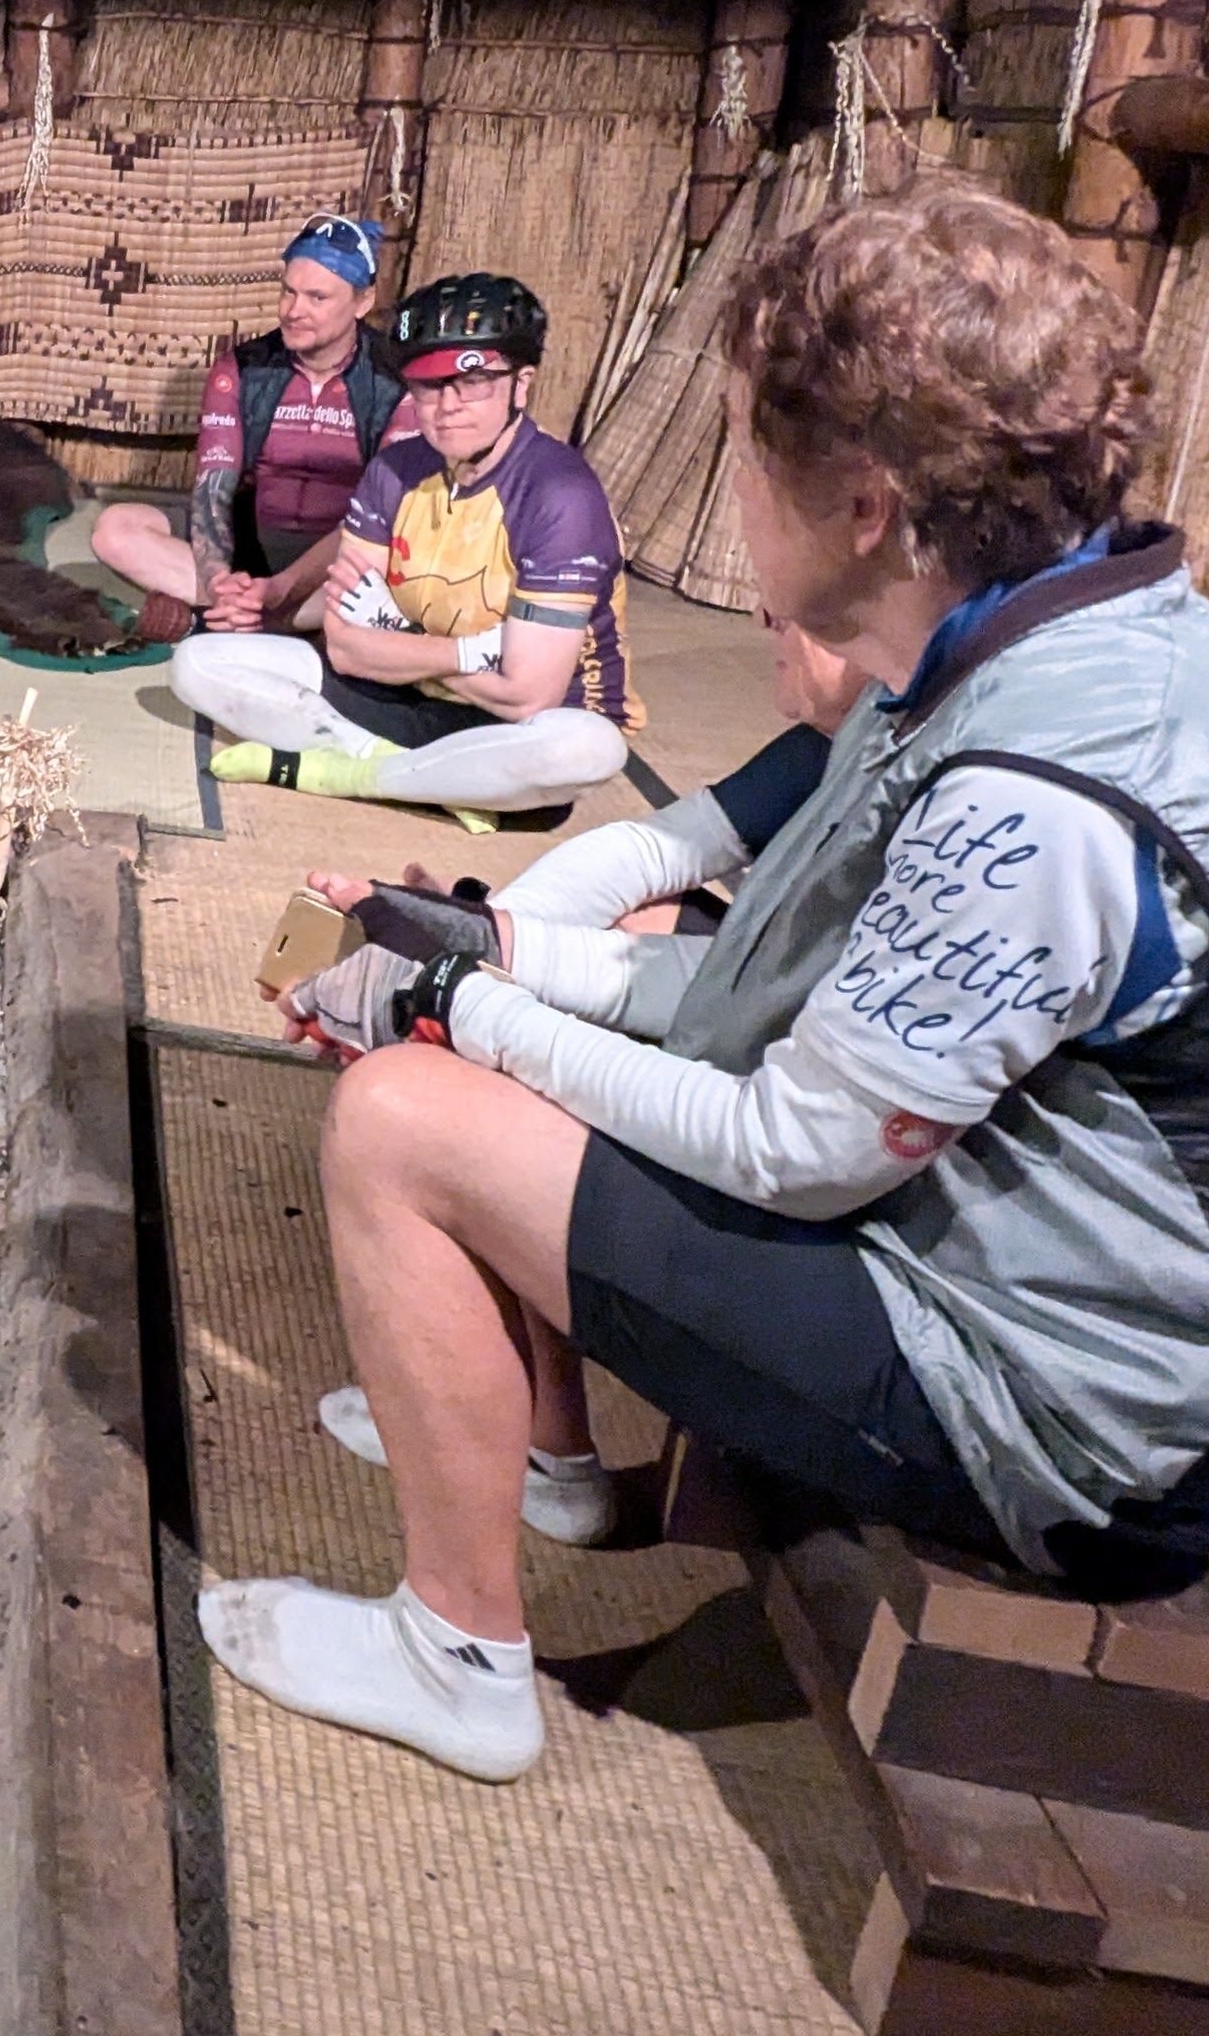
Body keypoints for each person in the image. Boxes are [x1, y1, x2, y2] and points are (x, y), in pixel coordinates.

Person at [198, 187, 1209, 1788]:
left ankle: (456, 1654)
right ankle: (534, 1460)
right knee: (486, 1032)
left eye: (751, 449)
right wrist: (488, 953)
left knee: (410, 1117)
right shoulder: (1021, 650)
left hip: (1077, 1414)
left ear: (860, 505)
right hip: (991, 1257)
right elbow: (758, 1000)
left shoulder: (1042, 786)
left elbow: (789, 1146)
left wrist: (461, 1020)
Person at [282, 613, 868, 1553]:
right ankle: (524, 1427)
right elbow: (650, 853)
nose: (770, 617)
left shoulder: (937, 769)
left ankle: (534, 1450)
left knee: (466, 1060)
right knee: (611, 930)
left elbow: (787, 1046)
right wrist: (477, 936)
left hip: (833, 1144)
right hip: (780, 1055)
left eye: (800, 605)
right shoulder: (854, 730)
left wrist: (468, 984)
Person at [175, 273, 636, 824]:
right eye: (427, 386)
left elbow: (527, 695)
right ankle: (427, 780)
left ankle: (354, 771)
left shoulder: (561, 495)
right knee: (197, 663)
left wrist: (395, 640)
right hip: (405, 697)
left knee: (589, 748)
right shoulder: (396, 468)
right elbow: (345, 648)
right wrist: (472, 652)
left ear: (522, 383)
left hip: (514, 731)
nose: (447, 407)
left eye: (472, 384)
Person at [92, 217, 406, 646]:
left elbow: (379, 512)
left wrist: (285, 587)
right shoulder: (243, 368)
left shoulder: (395, 382)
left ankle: (239, 623)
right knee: (115, 529)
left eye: (317, 297)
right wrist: (220, 580)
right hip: (252, 551)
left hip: (342, 558)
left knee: (406, 571)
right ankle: (247, 614)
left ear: (363, 301)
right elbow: (211, 490)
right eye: (288, 292)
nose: (295, 311)